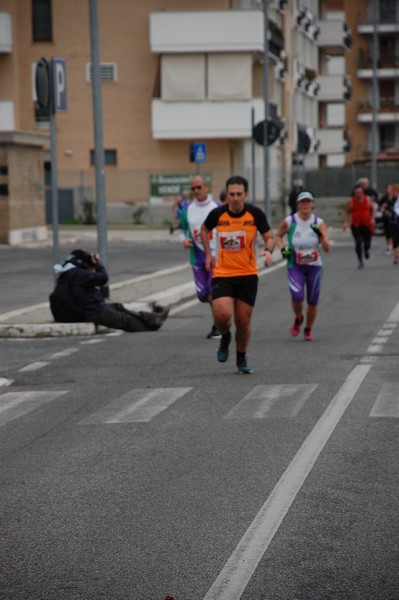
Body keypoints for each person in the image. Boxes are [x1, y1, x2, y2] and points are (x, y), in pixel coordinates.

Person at [200, 175, 275, 374]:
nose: (235, 198)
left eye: (239, 194)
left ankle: (241, 357)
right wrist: (208, 255)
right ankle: (225, 337)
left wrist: (268, 250)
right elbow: (204, 230)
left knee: (242, 322)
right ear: (227, 194)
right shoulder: (217, 214)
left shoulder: (255, 214)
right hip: (223, 273)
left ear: (246, 194)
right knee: (222, 315)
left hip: (247, 274)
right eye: (231, 194)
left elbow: (269, 236)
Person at [50, 249, 169, 331]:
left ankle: (152, 318)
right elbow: (103, 278)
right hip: (91, 312)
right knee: (123, 320)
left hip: (86, 309)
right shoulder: (78, 274)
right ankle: (151, 325)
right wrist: (97, 264)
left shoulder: (66, 274)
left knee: (118, 307)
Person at [275, 190, 330, 342]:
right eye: (302, 202)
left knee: (312, 301)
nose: (305, 204)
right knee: (297, 297)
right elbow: (278, 236)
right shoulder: (290, 221)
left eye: (308, 201)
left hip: (314, 266)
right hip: (295, 265)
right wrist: (282, 248)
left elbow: (327, 248)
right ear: (298, 204)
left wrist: (320, 235)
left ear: (312, 204)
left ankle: (308, 328)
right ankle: (299, 317)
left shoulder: (318, 222)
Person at [178, 174, 221, 339]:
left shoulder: (216, 207)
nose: (196, 190)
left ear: (206, 187)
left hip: (216, 257)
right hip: (197, 257)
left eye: (199, 187)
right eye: (193, 188)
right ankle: (220, 317)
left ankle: (217, 324)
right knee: (203, 295)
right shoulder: (187, 209)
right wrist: (183, 240)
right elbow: (181, 229)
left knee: (212, 293)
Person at [343, 183, 376, 268]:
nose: (358, 194)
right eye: (356, 193)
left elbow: (373, 209)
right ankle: (360, 260)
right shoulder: (351, 201)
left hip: (367, 224)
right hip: (356, 225)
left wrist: (372, 218)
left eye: (360, 192)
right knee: (358, 242)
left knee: (367, 243)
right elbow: (346, 212)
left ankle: (366, 250)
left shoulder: (368, 199)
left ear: (362, 193)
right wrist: (346, 222)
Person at [379, 183, 395, 255]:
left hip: (394, 218)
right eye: (388, 189)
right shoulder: (384, 198)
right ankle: (389, 246)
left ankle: (393, 246)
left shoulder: (395, 197)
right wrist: (383, 208)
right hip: (386, 218)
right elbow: (379, 208)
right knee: (387, 233)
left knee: (393, 232)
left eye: (390, 189)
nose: (389, 190)